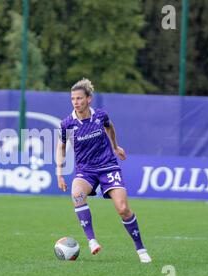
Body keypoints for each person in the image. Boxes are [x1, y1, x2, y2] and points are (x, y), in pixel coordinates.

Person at [56, 78, 152, 264]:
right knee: (76, 194)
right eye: (72, 98)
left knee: (123, 209)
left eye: (79, 98)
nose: (75, 102)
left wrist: (116, 146)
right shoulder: (67, 124)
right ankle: (92, 241)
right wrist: (59, 173)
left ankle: (141, 249)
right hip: (86, 170)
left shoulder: (100, 116)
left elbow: (110, 127)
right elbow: (60, 147)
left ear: (89, 99)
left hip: (108, 166)